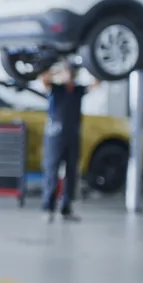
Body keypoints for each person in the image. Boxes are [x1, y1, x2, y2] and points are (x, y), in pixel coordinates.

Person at [37, 62, 96, 222]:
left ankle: (66, 209)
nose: (69, 75)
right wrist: (56, 70)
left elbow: (97, 84)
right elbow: (44, 79)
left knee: (71, 172)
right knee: (52, 171)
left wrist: (92, 66)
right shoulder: (56, 89)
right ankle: (48, 208)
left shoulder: (78, 90)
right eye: (67, 72)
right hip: (55, 136)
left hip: (72, 135)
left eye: (71, 72)